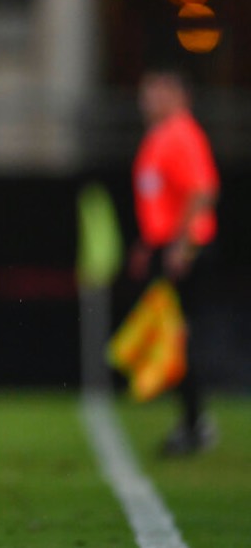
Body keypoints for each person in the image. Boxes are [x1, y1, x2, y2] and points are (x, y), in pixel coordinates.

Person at [127, 68, 220, 456]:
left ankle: (196, 423)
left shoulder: (182, 133)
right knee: (171, 337)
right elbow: (160, 199)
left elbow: (202, 192)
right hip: (167, 247)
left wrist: (181, 245)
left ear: (174, 94)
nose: (144, 101)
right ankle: (191, 419)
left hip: (187, 250)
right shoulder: (160, 136)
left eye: (153, 93)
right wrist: (148, 245)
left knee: (181, 338)